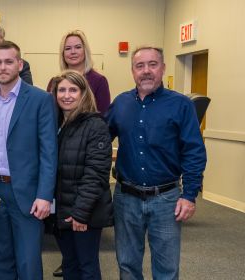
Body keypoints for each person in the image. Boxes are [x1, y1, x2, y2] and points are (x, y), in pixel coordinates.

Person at [106, 46, 207, 279]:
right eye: (140, 66)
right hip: (126, 198)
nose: (146, 71)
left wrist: (189, 195)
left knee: (166, 269)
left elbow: (194, 151)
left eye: (152, 64)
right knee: (127, 265)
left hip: (166, 199)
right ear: (133, 71)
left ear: (162, 68)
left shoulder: (181, 105)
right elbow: (98, 138)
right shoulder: (120, 103)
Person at [0, 40, 57, 280]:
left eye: (8, 62)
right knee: (0, 259)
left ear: (19, 64)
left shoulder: (41, 99)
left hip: (28, 194)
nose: (2, 67)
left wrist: (45, 195)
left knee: (28, 261)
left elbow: (49, 152)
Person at [51, 70, 113, 280]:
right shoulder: (57, 124)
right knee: (70, 264)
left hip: (84, 212)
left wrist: (80, 213)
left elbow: (96, 174)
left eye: (73, 90)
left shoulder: (95, 125)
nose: (66, 95)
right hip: (61, 208)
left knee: (87, 266)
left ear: (83, 93)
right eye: (61, 90)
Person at [46, 30, 110, 115]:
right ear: (63, 54)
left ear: (85, 50)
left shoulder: (99, 81)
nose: (73, 52)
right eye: (68, 48)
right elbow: (48, 114)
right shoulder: (54, 82)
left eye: (78, 47)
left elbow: (103, 118)